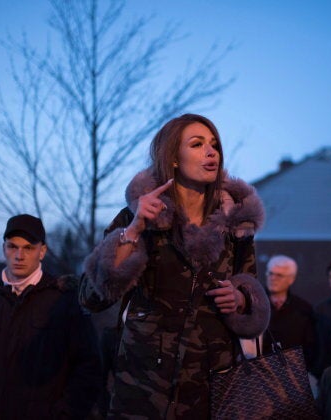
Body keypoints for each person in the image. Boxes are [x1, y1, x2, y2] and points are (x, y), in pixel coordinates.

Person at [79, 114, 270, 418]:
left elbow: (251, 288)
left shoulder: (236, 223)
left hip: (211, 387)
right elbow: (91, 297)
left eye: (214, 145)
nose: (211, 152)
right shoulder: (136, 216)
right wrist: (135, 228)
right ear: (174, 158)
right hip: (142, 386)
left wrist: (241, 298)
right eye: (197, 144)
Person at [0, 214, 101, 419]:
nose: (19, 255)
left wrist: (65, 414)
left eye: (28, 248)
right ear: (4, 249)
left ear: (42, 251)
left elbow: (88, 367)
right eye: (12, 246)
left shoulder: (65, 303)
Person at [263, 255, 317, 374]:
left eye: (279, 275)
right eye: (270, 273)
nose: (273, 278)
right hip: (260, 374)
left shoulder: (303, 309)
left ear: (291, 279)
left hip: (294, 375)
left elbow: (310, 347)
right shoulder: (254, 304)